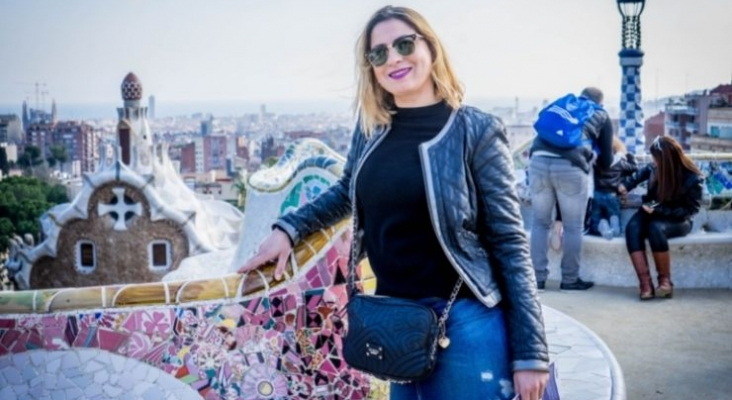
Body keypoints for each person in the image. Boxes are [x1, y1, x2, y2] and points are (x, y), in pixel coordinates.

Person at [239, 6, 548, 400]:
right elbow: (345, 192)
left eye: (404, 44)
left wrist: (530, 353)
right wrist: (288, 228)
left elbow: (509, 241)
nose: (394, 59)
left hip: (465, 322)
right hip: (393, 325)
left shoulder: (477, 130)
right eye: (379, 53)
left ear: (430, 48)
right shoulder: (371, 128)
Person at [529, 87, 613, 290]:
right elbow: (607, 161)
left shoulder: (563, 103)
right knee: (573, 226)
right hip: (570, 168)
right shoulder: (601, 114)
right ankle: (569, 279)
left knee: (540, 223)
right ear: (600, 102)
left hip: (538, 161)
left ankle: (536, 279)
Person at [618, 136, 703, 300]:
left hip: (679, 219)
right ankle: (645, 284)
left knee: (655, 228)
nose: (653, 162)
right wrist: (622, 187)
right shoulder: (654, 168)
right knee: (632, 228)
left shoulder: (692, 177)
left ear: (667, 160)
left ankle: (665, 282)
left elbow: (691, 210)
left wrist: (659, 208)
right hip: (653, 209)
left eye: (655, 158)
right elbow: (635, 177)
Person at [589, 136, 638, 239]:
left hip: (597, 194)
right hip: (612, 195)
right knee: (614, 215)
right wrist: (629, 155)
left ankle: (600, 224)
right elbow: (634, 168)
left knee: (594, 222)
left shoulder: (595, 161)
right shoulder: (620, 162)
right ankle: (614, 222)